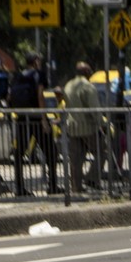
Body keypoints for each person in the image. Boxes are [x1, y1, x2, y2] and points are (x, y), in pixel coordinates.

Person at [7, 53, 52, 194]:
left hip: (21, 119)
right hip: (36, 119)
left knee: (19, 154)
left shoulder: (17, 76)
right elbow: (40, 95)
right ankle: (54, 186)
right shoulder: (39, 74)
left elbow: (9, 96)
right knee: (52, 152)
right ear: (36, 61)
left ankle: (19, 188)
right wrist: (44, 118)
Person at [62, 62, 103, 194]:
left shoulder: (68, 85)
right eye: (90, 71)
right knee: (103, 151)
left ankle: (76, 187)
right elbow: (95, 109)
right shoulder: (87, 86)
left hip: (72, 127)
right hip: (87, 126)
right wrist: (102, 124)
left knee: (76, 159)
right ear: (86, 71)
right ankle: (92, 178)